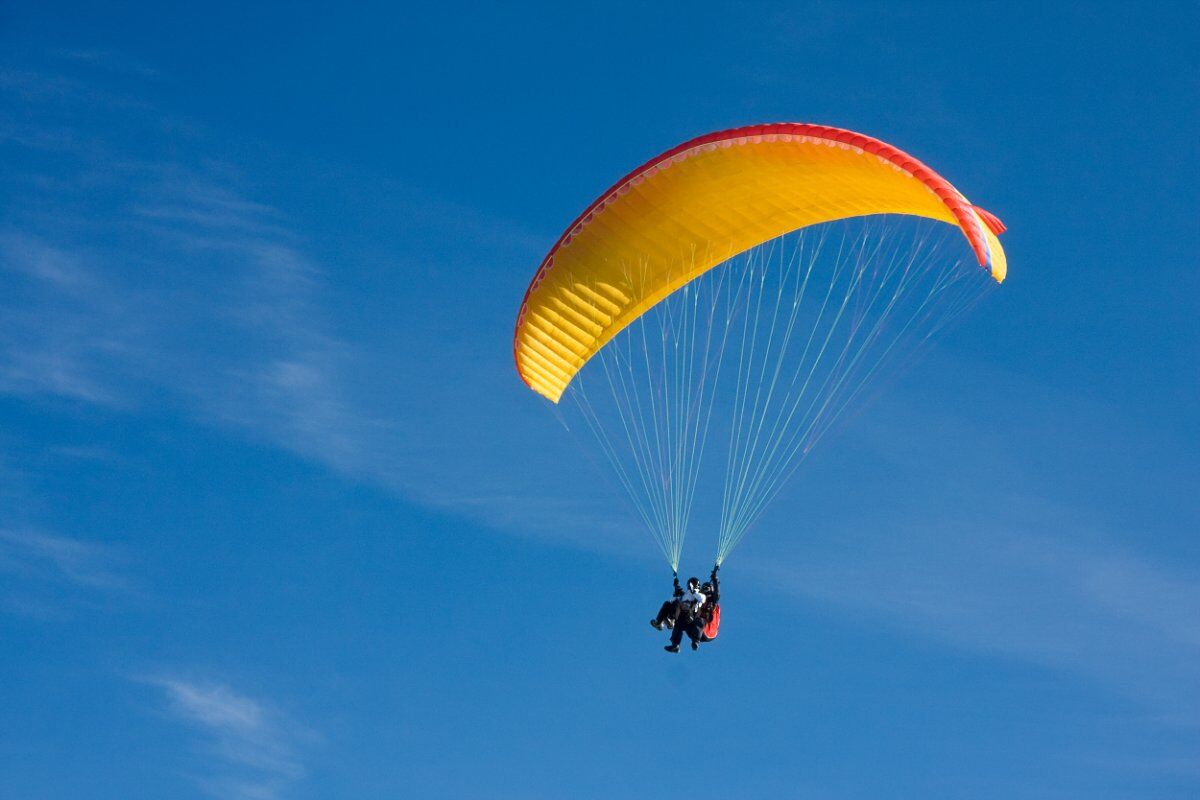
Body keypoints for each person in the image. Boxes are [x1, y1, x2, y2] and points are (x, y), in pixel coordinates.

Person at [664, 575, 707, 653]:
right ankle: (675, 645)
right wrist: (676, 589)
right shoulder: (685, 595)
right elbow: (674, 600)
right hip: (683, 620)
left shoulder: (700, 595)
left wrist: (693, 591)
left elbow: (702, 599)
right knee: (678, 625)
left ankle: (695, 641)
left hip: (691, 620)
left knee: (699, 621)